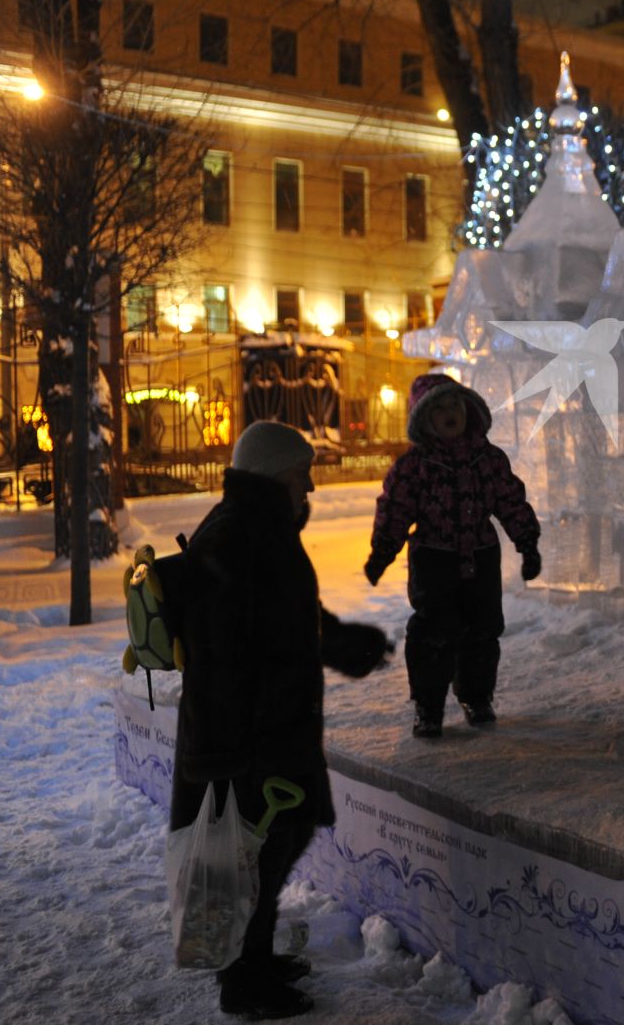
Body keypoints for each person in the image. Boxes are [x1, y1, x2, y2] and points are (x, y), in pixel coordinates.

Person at [170, 421, 393, 1020]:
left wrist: (344, 643)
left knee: (269, 851)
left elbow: (290, 616)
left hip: (266, 733)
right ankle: (244, 982)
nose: (311, 486)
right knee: (255, 859)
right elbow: (225, 652)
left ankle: (255, 961)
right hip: (250, 742)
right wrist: (234, 753)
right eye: (301, 475)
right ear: (273, 475)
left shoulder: (256, 529)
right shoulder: (243, 538)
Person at [365, 373, 541, 737]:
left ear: (469, 410)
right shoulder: (414, 467)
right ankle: (428, 706)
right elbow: (395, 509)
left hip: (481, 556)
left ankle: (477, 697)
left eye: (456, 404)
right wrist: (383, 550)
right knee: (433, 633)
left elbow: (510, 501)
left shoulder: (487, 459)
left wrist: (527, 543)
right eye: (440, 407)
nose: (450, 413)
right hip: (434, 560)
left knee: (482, 630)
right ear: (422, 418)